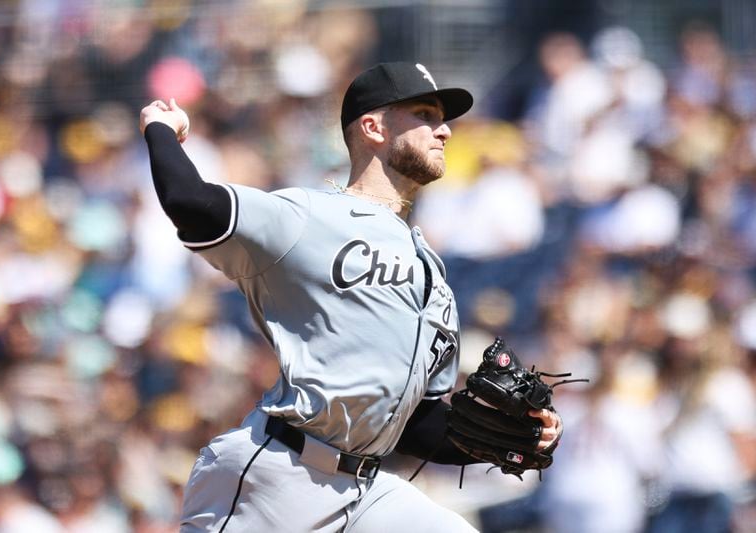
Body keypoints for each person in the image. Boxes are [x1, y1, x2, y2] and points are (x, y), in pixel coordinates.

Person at [140, 61, 562, 533]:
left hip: (365, 490)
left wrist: (506, 437)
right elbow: (193, 204)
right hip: (278, 475)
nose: (443, 130)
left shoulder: (433, 275)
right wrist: (159, 128)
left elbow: (418, 423)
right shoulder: (308, 215)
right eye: (424, 114)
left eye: (442, 119)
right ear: (373, 127)